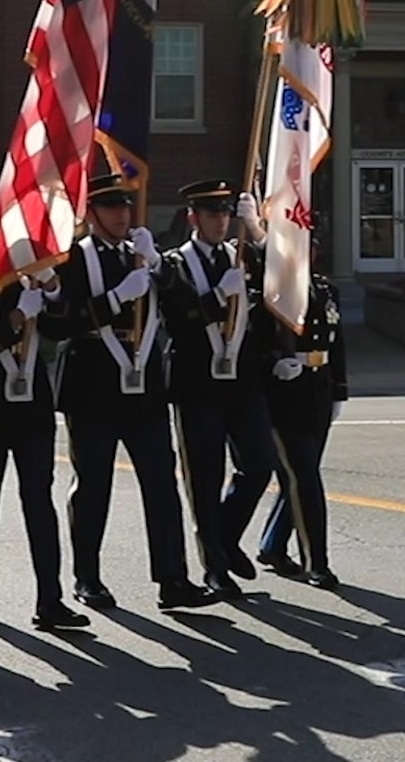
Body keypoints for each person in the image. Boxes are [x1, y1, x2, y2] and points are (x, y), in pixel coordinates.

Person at [41, 174, 217, 612]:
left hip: (145, 389)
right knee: (93, 486)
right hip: (94, 386)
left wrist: (157, 267)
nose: (121, 215)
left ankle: (173, 578)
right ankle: (87, 577)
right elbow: (60, 324)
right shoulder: (74, 260)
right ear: (91, 214)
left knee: (161, 483)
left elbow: (184, 311)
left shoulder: (143, 256)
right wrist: (117, 297)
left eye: (125, 207)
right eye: (111, 208)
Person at [0, 208, 90, 632]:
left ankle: (51, 599)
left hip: (32, 410)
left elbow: (64, 328)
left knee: (39, 503)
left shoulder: (35, 284)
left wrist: (51, 287)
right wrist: (13, 320)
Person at [159, 179, 276, 600]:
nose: (221, 221)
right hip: (198, 385)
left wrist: (259, 231)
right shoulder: (174, 264)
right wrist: (216, 297)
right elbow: (179, 319)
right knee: (205, 478)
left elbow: (286, 274)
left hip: (243, 382)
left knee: (260, 465)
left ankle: (225, 539)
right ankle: (215, 567)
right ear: (194, 218)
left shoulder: (242, 255)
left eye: (227, 213)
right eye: (213, 214)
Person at [256, 235, 349, 590]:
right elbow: (255, 340)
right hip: (284, 393)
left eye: (309, 243)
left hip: (319, 389)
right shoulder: (272, 292)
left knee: (300, 476)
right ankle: (317, 562)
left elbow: (336, 343)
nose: (305, 250)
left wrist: (339, 389)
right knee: (305, 477)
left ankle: (272, 545)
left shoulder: (326, 288)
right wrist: (273, 363)